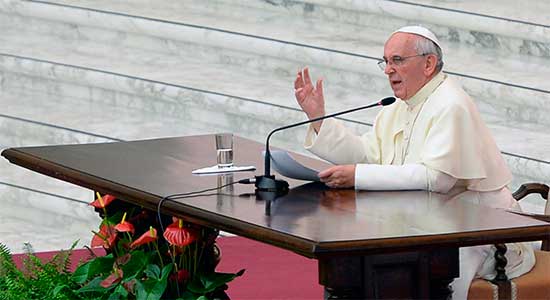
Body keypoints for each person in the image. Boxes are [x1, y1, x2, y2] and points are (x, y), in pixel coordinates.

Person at [294, 25, 535, 299]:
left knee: (415, 271)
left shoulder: (450, 104)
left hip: (479, 233)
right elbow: (367, 154)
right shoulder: (400, 105)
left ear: (428, 64)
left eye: (397, 60)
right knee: (361, 261)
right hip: (427, 225)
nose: (387, 70)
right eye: (384, 62)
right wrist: (318, 119)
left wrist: (358, 176)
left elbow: (437, 179)